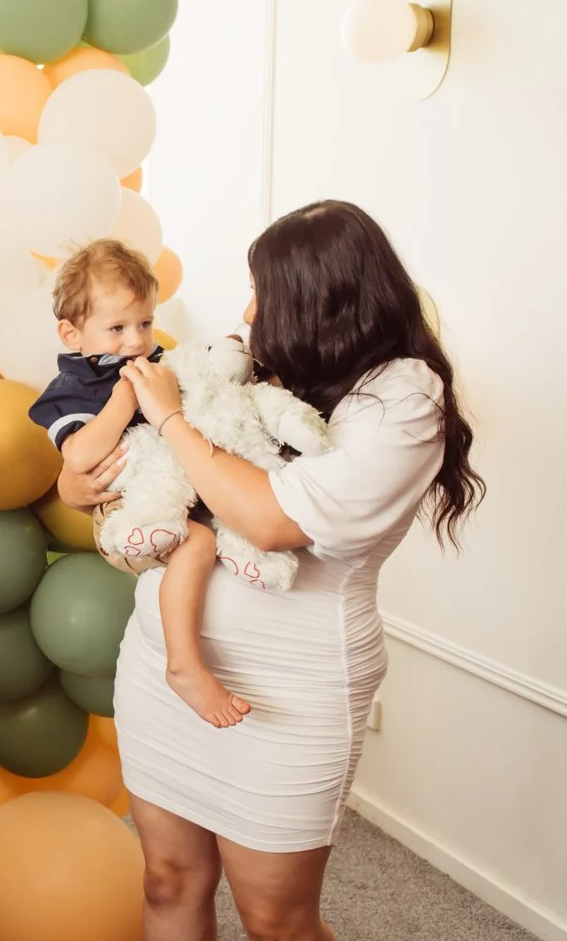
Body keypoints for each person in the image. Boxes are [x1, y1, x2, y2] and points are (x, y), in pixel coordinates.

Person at [57, 201, 482, 941]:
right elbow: (116, 462)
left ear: (323, 297)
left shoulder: (404, 395)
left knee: (276, 920)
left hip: (287, 692)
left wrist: (171, 422)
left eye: (263, 290)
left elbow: (273, 520)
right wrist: (72, 482)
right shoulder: (265, 363)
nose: (249, 310)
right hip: (163, 667)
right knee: (166, 881)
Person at [29, 239, 249, 728]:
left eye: (145, 323)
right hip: (125, 512)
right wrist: (126, 399)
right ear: (71, 332)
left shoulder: (155, 360)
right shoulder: (72, 389)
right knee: (199, 544)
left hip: (179, 490)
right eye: (117, 328)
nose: (135, 341)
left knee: (233, 527)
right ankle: (184, 664)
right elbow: (81, 457)